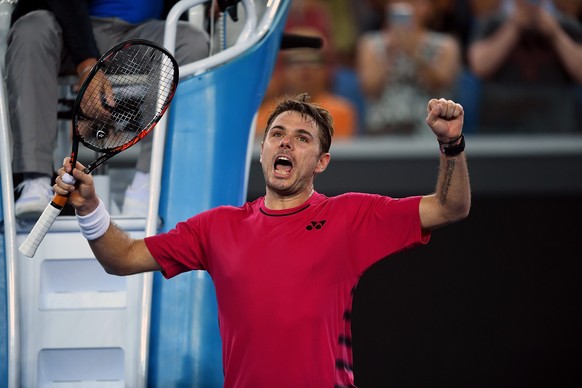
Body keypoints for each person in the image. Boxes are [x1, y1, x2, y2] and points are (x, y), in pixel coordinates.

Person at [54, 94, 470, 387]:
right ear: (264, 149)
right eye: (277, 133)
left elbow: (449, 207)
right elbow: (122, 258)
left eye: (302, 138)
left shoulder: (352, 216)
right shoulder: (216, 227)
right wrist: (90, 206)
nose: (286, 141)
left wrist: (451, 144)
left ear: (322, 162)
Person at [6, 0, 210, 220]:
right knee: (32, 29)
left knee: (191, 41)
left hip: (140, 34)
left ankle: (147, 185)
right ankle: (35, 182)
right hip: (65, 27)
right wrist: (87, 65)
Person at [467, 0, 582, 133]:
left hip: (556, 122)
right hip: (501, 123)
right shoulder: (492, 22)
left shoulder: (566, 25)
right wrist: (513, 28)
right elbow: (478, 66)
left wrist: (556, 34)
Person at [356, 0, 461, 135]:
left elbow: (440, 85)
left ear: (430, 7)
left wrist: (413, 51)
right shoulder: (370, 43)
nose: (410, 7)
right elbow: (370, 88)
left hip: (428, 128)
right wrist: (391, 52)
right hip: (382, 128)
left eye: (417, 2)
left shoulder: (446, 45)